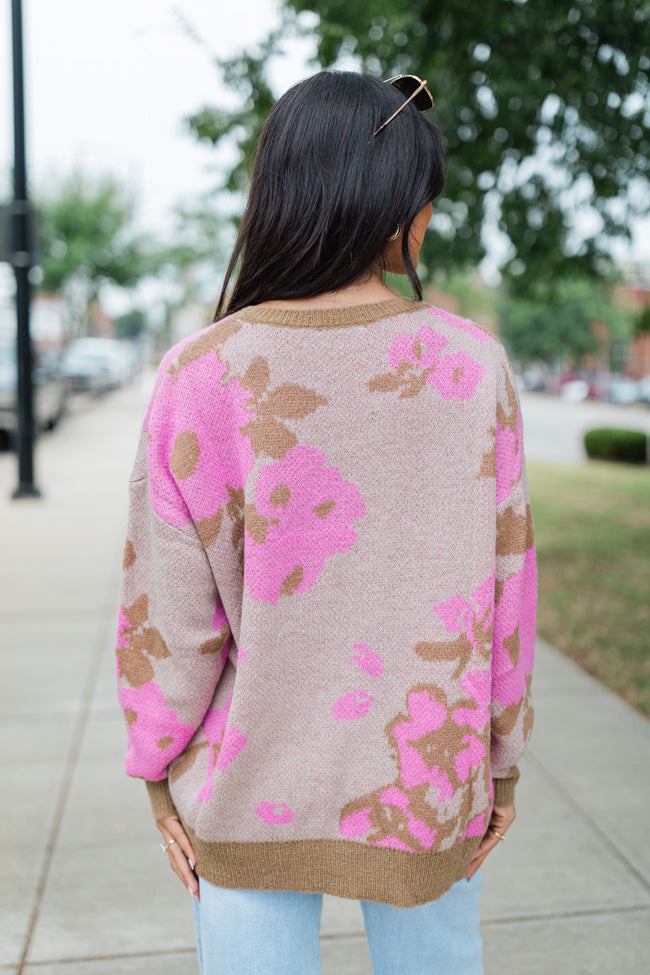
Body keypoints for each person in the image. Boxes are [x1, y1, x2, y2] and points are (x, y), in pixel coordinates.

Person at [116, 70, 536, 975]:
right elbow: (507, 585)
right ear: (396, 207)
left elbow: (169, 613)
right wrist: (500, 758)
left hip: (247, 778)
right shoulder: (473, 368)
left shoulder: (202, 374)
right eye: (425, 200)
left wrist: (157, 766)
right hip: (426, 774)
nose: (428, 220)